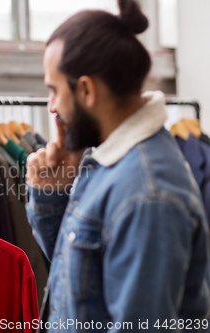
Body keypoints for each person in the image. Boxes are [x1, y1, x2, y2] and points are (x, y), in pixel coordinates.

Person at [25, 0, 210, 331]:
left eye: (54, 90)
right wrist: (51, 194)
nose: (51, 106)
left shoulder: (147, 194)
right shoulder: (108, 162)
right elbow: (80, 284)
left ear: (86, 90)